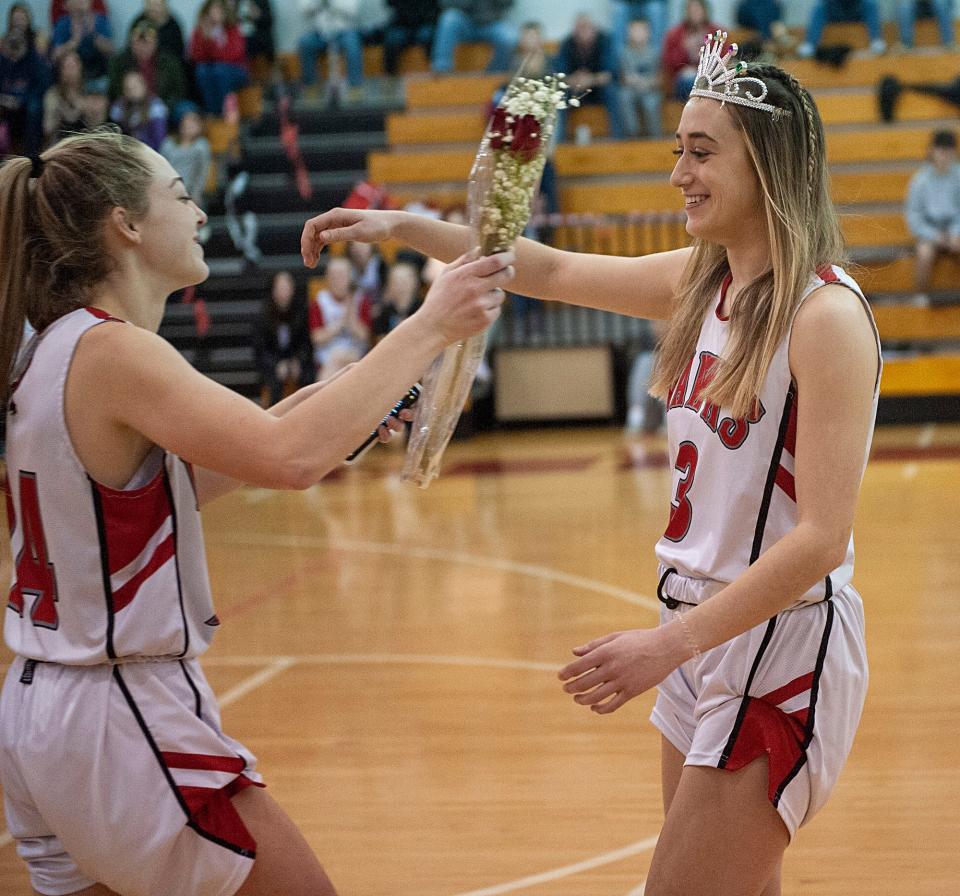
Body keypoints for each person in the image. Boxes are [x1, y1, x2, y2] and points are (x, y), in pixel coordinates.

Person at [301, 32, 881, 894]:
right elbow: (551, 265)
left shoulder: (824, 318)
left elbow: (823, 539)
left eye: (700, 151)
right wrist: (402, 226)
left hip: (779, 642)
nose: (678, 173)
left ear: (767, 164)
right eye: (677, 150)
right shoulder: (703, 281)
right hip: (698, 635)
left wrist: (664, 645)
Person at [0, 125, 510, 896]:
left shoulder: (49, 349)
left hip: (45, 715)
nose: (200, 212)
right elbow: (288, 455)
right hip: (119, 712)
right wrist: (430, 322)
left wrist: (356, 403)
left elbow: (209, 468)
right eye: (180, 195)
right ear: (126, 224)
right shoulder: (113, 352)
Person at [904, 128, 960, 304]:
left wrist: (955, 232)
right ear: (932, 151)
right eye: (941, 151)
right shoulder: (920, 180)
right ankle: (921, 297)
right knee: (924, 252)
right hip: (929, 231)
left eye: (948, 152)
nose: (944, 156)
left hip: (955, 229)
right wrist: (935, 236)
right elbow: (914, 215)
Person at [553, 13, 625, 141]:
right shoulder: (567, 44)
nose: (584, 32)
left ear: (595, 29)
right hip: (575, 89)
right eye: (580, 28)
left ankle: (619, 139)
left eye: (587, 28)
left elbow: (610, 74)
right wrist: (576, 80)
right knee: (560, 95)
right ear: (574, 30)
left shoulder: (605, 41)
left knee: (613, 92)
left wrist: (590, 80)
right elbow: (560, 75)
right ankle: (560, 141)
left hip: (598, 90)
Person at [309, 254, 374, 380]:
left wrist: (351, 317)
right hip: (327, 357)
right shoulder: (319, 301)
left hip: (356, 355)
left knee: (346, 361)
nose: (339, 280)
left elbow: (364, 336)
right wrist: (339, 325)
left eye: (342, 275)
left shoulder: (361, 300)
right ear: (327, 278)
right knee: (336, 360)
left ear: (350, 276)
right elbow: (317, 338)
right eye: (335, 276)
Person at [255, 270, 313, 404]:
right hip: (273, 363)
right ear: (273, 290)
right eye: (280, 288)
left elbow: (306, 343)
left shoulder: (301, 312)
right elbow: (261, 350)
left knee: (308, 377)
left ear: (292, 289)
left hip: (296, 361)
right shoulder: (262, 316)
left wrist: (297, 362)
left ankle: (307, 415)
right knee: (274, 382)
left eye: (286, 288)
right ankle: (274, 419)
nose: (283, 292)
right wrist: (276, 365)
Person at [107, 19, 188, 110]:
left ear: (156, 43)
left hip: (164, 105)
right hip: (129, 106)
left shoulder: (170, 62)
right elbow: (115, 91)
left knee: (186, 109)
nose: (142, 47)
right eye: (138, 42)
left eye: (147, 43)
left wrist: (161, 106)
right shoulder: (118, 62)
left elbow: (178, 90)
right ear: (130, 44)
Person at [189, 0, 250, 117]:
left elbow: (231, 56)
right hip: (212, 69)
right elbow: (197, 57)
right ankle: (212, 111)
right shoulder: (200, 30)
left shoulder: (233, 28)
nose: (215, 14)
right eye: (213, 10)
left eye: (219, 10)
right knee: (202, 71)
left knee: (220, 70)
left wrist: (211, 42)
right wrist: (205, 38)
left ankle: (223, 111)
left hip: (236, 70)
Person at [297, 0, 365, 100]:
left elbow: (353, 11)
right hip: (319, 32)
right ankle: (311, 87)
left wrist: (332, 2)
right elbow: (304, 11)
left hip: (344, 31)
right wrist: (319, 2)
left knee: (353, 44)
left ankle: (355, 87)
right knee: (305, 43)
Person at [0, 21, 50, 156]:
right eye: (11, 42)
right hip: (6, 101)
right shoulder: (2, 61)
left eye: (18, 42)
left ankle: (30, 156)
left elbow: (42, 86)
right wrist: (5, 99)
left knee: (34, 107)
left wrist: (20, 100)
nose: (14, 46)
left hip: (28, 101)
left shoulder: (35, 60)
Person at [430, 0, 517, 74]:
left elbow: (508, 3)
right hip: (464, 21)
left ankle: (495, 74)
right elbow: (444, 3)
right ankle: (442, 69)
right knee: (449, 18)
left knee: (509, 38)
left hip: (492, 23)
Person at [43, 49, 108, 145]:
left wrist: (91, 111)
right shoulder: (52, 94)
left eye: (74, 65)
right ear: (60, 71)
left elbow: (99, 124)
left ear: (80, 67)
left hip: (88, 141)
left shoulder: (90, 91)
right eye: (67, 67)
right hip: (62, 144)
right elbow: (47, 128)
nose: (71, 70)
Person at [662, 0, 723, 100]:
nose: (694, 13)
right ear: (685, 12)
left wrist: (704, 54)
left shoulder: (717, 33)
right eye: (691, 10)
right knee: (690, 81)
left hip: (711, 77)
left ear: (705, 11)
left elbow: (724, 60)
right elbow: (668, 62)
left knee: (704, 82)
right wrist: (685, 50)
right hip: (683, 79)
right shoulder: (675, 34)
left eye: (698, 9)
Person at [50, 0, 114, 95]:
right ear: (66, 5)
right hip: (70, 79)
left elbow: (111, 50)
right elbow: (55, 56)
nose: (79, 3)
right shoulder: (62, 23)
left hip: (97, 75)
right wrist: (74, 41)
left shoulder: (100, 20)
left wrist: (94, 35)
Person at [796, 0, 887, 59]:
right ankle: (810, 44)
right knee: (819, 6)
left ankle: (876, 40)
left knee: (871, 4)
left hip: (857, 8)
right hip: (835, 9)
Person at [161, 100, 212, 205]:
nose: (192, 125)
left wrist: (196, 194)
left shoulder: (201, 145)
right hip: (169, 191)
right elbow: (162, 168)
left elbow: (202, 172)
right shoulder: (168, 144)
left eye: (195, 121)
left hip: (190, 193)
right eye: (188, 121)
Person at [619, 17, 663, 138]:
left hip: (650, 89)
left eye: (640, 30)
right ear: (628, 33)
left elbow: (661, 78)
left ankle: (655, 137)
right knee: (623, 97)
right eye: (634, 30)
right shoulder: (624, 53)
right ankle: (633, 135)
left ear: (648, 33)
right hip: (631, 88)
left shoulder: (655, 53)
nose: (637, 34)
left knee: (650, 103)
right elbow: (622, 77)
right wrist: (628, 80)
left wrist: (648, 83)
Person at [383, 0, 438, 75]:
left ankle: (435, 74)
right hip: (402, 24)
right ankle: (390, 77)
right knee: (392, 40)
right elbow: (390, 5)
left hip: (425, 23)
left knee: (428, 36)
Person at [609, 1, 667, 68]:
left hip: (651, 2)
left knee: (656, 10)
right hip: (626, 3)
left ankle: (656, 60)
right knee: (619, 10)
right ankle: (621, 64)